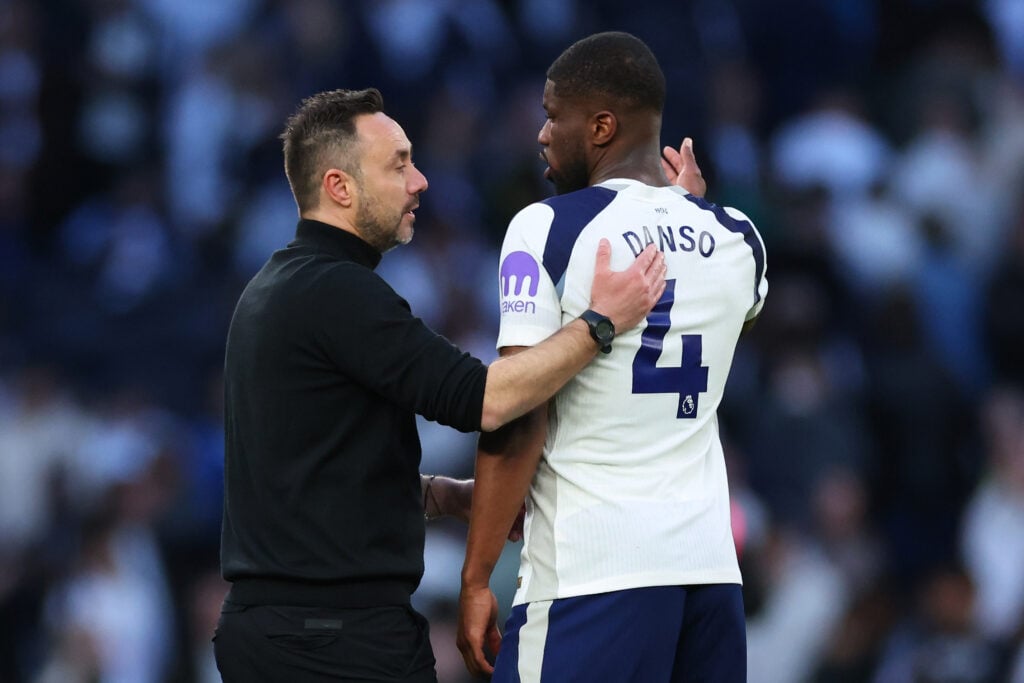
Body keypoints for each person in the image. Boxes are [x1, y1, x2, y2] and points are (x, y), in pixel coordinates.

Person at [212, 87, 669, 683]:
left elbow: (316, 471)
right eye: (398, 164)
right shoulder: (336, 292)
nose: (420, 180)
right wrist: (598, 323)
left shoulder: (275, 287)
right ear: (339, 187)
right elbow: (489, 398)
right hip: (332, 642)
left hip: (289, 632)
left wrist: (443, 496)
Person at [456, 32, 768, 682]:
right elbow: (712, 274)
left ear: (600, 126)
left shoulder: (548, 227)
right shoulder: (740, 236)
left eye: (552, 113)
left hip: (592, 574)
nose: (541, 133)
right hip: (709, 579)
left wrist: (478, 575)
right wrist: (689, 206)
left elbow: (517, 414)